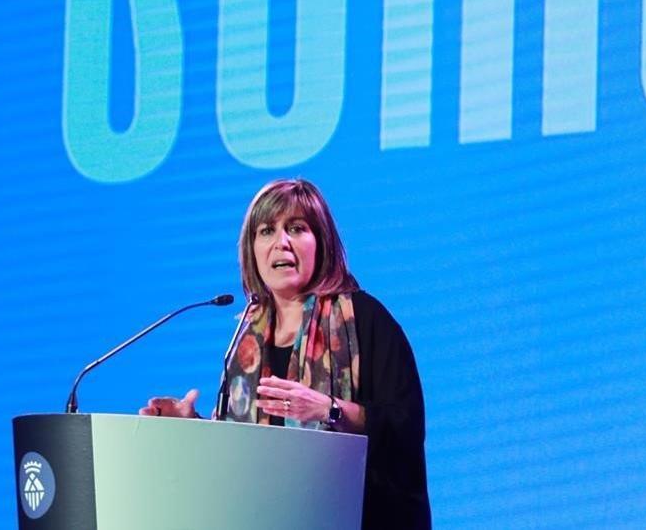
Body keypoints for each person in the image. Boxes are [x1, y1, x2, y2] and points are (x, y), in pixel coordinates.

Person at [140, 179, 432, 528]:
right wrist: (193, 429)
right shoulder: (246, 337)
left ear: (320, 243)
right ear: (251, 250)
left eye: (296, 228)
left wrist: (330, 410)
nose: (281, 243)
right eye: (266, 231)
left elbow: (404, 427)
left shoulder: (364, 319)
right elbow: (248, 448)